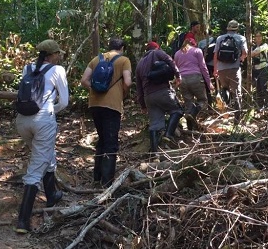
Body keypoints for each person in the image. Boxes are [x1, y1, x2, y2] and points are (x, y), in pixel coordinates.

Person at [15, 39, 69, 234]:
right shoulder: (58, 71)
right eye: (57, 54)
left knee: (45, 154)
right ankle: (22, 221)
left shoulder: (27, 68)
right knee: (36, 168)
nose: (59, 56)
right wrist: (48, 111)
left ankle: (52, 194)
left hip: (22, 121)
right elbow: (64, 102)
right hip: (43, 121)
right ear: (50, 55)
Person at [80, 38, 132, 187]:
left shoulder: (96, 59)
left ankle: (97, 177)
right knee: (111, 143)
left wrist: (96, 89)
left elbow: (84, 80)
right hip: (112, 105)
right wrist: (122, 92)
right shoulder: (124, 60)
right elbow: (127, 82)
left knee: (102, 140)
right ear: (121, 48)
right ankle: (107, 182)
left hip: (94, 103)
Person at [136, 41, 183, 153]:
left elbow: (139, 88)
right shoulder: (157, 53)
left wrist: (143, 105)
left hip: (148, 97)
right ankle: (168, 134)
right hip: (162, 91)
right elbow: (170, 61)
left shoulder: (139, 64)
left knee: (155, 125)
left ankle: (155, 154)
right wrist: (178, 75)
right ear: (156, 48)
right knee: (177, 110)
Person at [175, 38, 214, 130]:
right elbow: (203, 67)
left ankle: (190, 129)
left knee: (188, 103)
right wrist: (209, 83)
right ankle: (193, 114)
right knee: (203, 101)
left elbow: (175, 69)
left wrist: (177, 81)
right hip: (195, 78)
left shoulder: (177, 53)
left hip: (182, 80)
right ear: (194, 44)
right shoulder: (197, 51)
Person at [213, 20, 248, 124]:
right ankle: (237, 120)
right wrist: (240, 60)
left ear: (227, 28)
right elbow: (245, 53)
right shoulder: (241, 38)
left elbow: (215, 54)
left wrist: (215, 69)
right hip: (234, 69)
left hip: (222, 69)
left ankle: (225, 116)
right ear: (237, 29)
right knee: (237, 93)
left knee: (224, 90)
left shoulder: (220, 38)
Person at [250, 32, 268, 109]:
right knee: (258, 88)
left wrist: (251, 53)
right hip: (255, 69)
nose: (258, 38)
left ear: (262, 37)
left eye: (260, 36)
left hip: (263, 68)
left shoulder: (264, 45)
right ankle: (259, 105)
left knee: (264, 86)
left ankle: (267, 104)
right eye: (256, 36)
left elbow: (256, 52)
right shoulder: (253, 47)